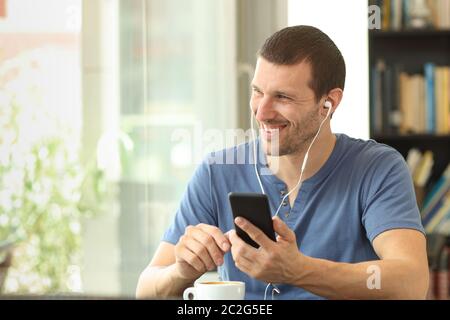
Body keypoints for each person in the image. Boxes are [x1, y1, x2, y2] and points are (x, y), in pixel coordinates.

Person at [135, 25, 428, 300]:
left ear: (329, 103)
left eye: (283, 97)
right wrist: (181, 272)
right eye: (257, 92)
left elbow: (411, 281)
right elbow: (146, 287)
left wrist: (299, 270)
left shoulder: (377, 168)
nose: (262, 112)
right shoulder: (217, 172)